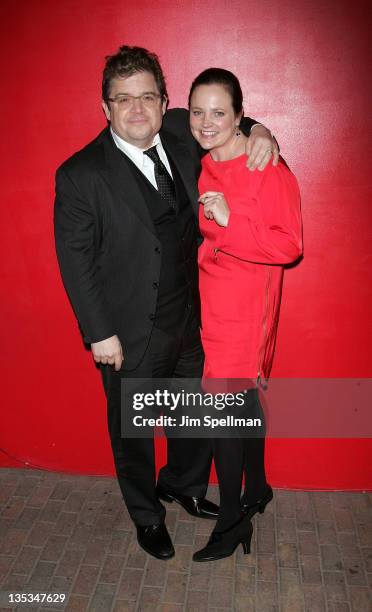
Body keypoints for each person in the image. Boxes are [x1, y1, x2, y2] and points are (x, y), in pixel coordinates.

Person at [54, 46, 278, 560]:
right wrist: (99, 332)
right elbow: (76, 260)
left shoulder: (180, 132)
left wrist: (261, 131)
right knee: (133, 430)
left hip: (190, 320)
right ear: (105, 107)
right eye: (123, 99)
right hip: (128, 331)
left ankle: (181, 483)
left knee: (191, 416)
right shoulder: (80, 174)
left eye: (147, 97)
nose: (137, 109)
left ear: (164, 101)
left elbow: (226, 115)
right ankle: (146, 515)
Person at [188, 68, 303, 561]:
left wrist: (231, 223)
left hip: (243, 316)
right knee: (241, 409)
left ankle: (232, 520)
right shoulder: (208, 160)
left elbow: (289, 246)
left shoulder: (267, 168)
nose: (206, 121)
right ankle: (257, 488)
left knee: (221, 417)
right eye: (198, 111)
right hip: (213, 306)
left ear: (240, 116)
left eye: (219, 112)